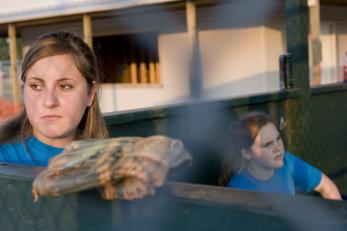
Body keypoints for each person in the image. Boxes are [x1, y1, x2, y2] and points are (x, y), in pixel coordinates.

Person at [0, 31, 109, 166]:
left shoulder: (111, 162)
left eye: (64, 86)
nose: (49, 102)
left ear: (91, 93)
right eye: (36, 86)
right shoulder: (4, 157)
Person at [220, 111, 341, 200]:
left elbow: (326, 186)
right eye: (267, 144)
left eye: (278, 138)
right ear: (246, 153)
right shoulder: (241, 189)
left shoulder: (287, 162)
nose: (278, 147)